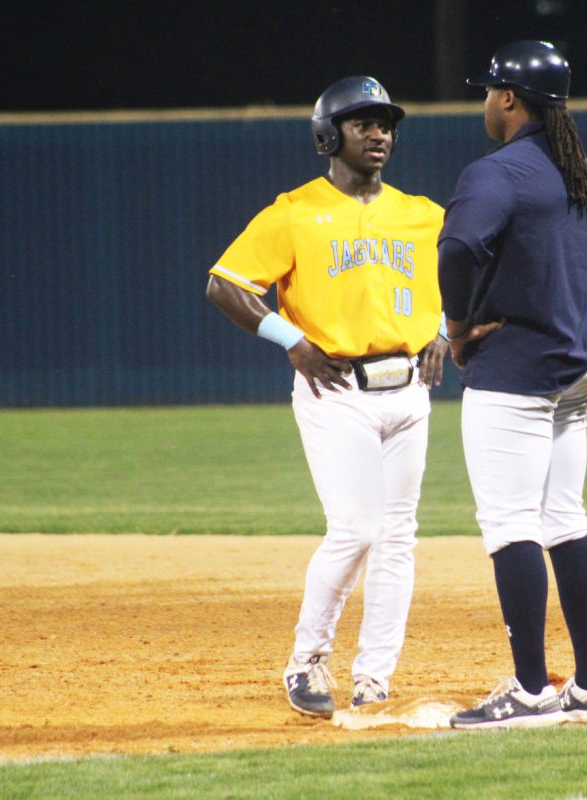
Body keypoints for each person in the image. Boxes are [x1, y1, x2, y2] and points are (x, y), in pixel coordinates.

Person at [206, 76, 448, 719]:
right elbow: (224, 284)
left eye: (386, 123)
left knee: (398, 537)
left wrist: (444, 330)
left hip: (410, 391)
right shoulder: (294, 212)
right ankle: (306, 659)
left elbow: (463, 279)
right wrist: (287, 336)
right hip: (336, 390)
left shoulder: (421, 214)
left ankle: (375, 676)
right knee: (357, 528)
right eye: (362, 122)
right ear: (327, 135)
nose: (379, 133)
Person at [438, 41, 587, 730]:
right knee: (564, 518)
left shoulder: (499, 171)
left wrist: (459, 327)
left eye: (488, 91)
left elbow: (461, 247)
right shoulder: (581, 170)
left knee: (510, 524)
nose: (484, 102)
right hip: (579, 373)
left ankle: (530, 691)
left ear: (508, 99)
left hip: (519, 369)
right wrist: (580, 308)